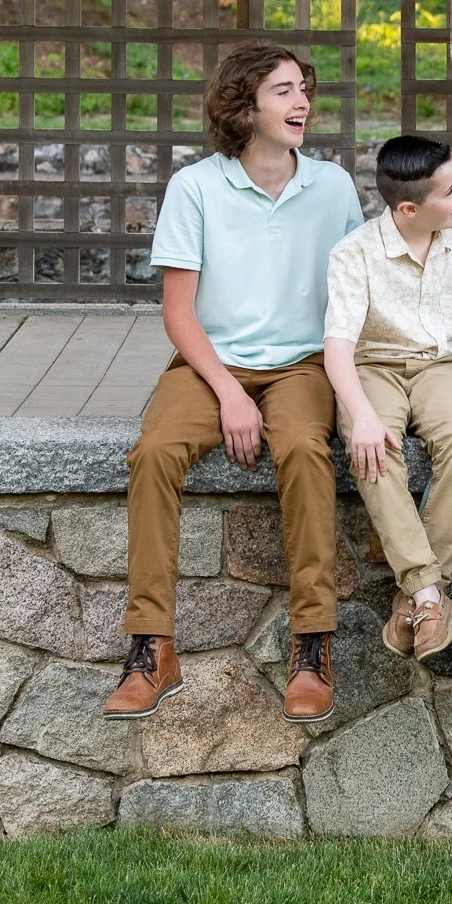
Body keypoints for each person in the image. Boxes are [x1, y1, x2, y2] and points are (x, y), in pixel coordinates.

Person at [104, 39, 363, 725]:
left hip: (304, 364)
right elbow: (178, 313)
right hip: (210, 364)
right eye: (284, 91)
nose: (302, 101)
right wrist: (229, 394)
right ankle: (151, 648)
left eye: (303, 88)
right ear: (244, 107)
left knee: (304, 450)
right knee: (154, 453)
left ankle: (312, 646)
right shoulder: (195, 187)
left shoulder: (333, 187)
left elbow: (358, 291)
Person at [323, 135, 452, 668]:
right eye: (450, 190)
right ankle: (429, 593)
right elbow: (337, 349)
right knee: (373, 449)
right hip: (373, 365)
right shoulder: (355, 253)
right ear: (409, 208)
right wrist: (363, 417)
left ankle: (417, 598)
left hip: (440, 365)